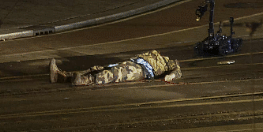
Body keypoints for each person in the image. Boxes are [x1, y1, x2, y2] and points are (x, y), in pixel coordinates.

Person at [49, 51, 182, 86]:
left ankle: (84, 80)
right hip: (132, 63)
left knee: (113, 74)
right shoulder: (157, 55)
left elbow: (178, 72)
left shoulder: (170, 63)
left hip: (140, 71)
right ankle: (62, 76)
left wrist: (171, 76)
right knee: (99, 68)